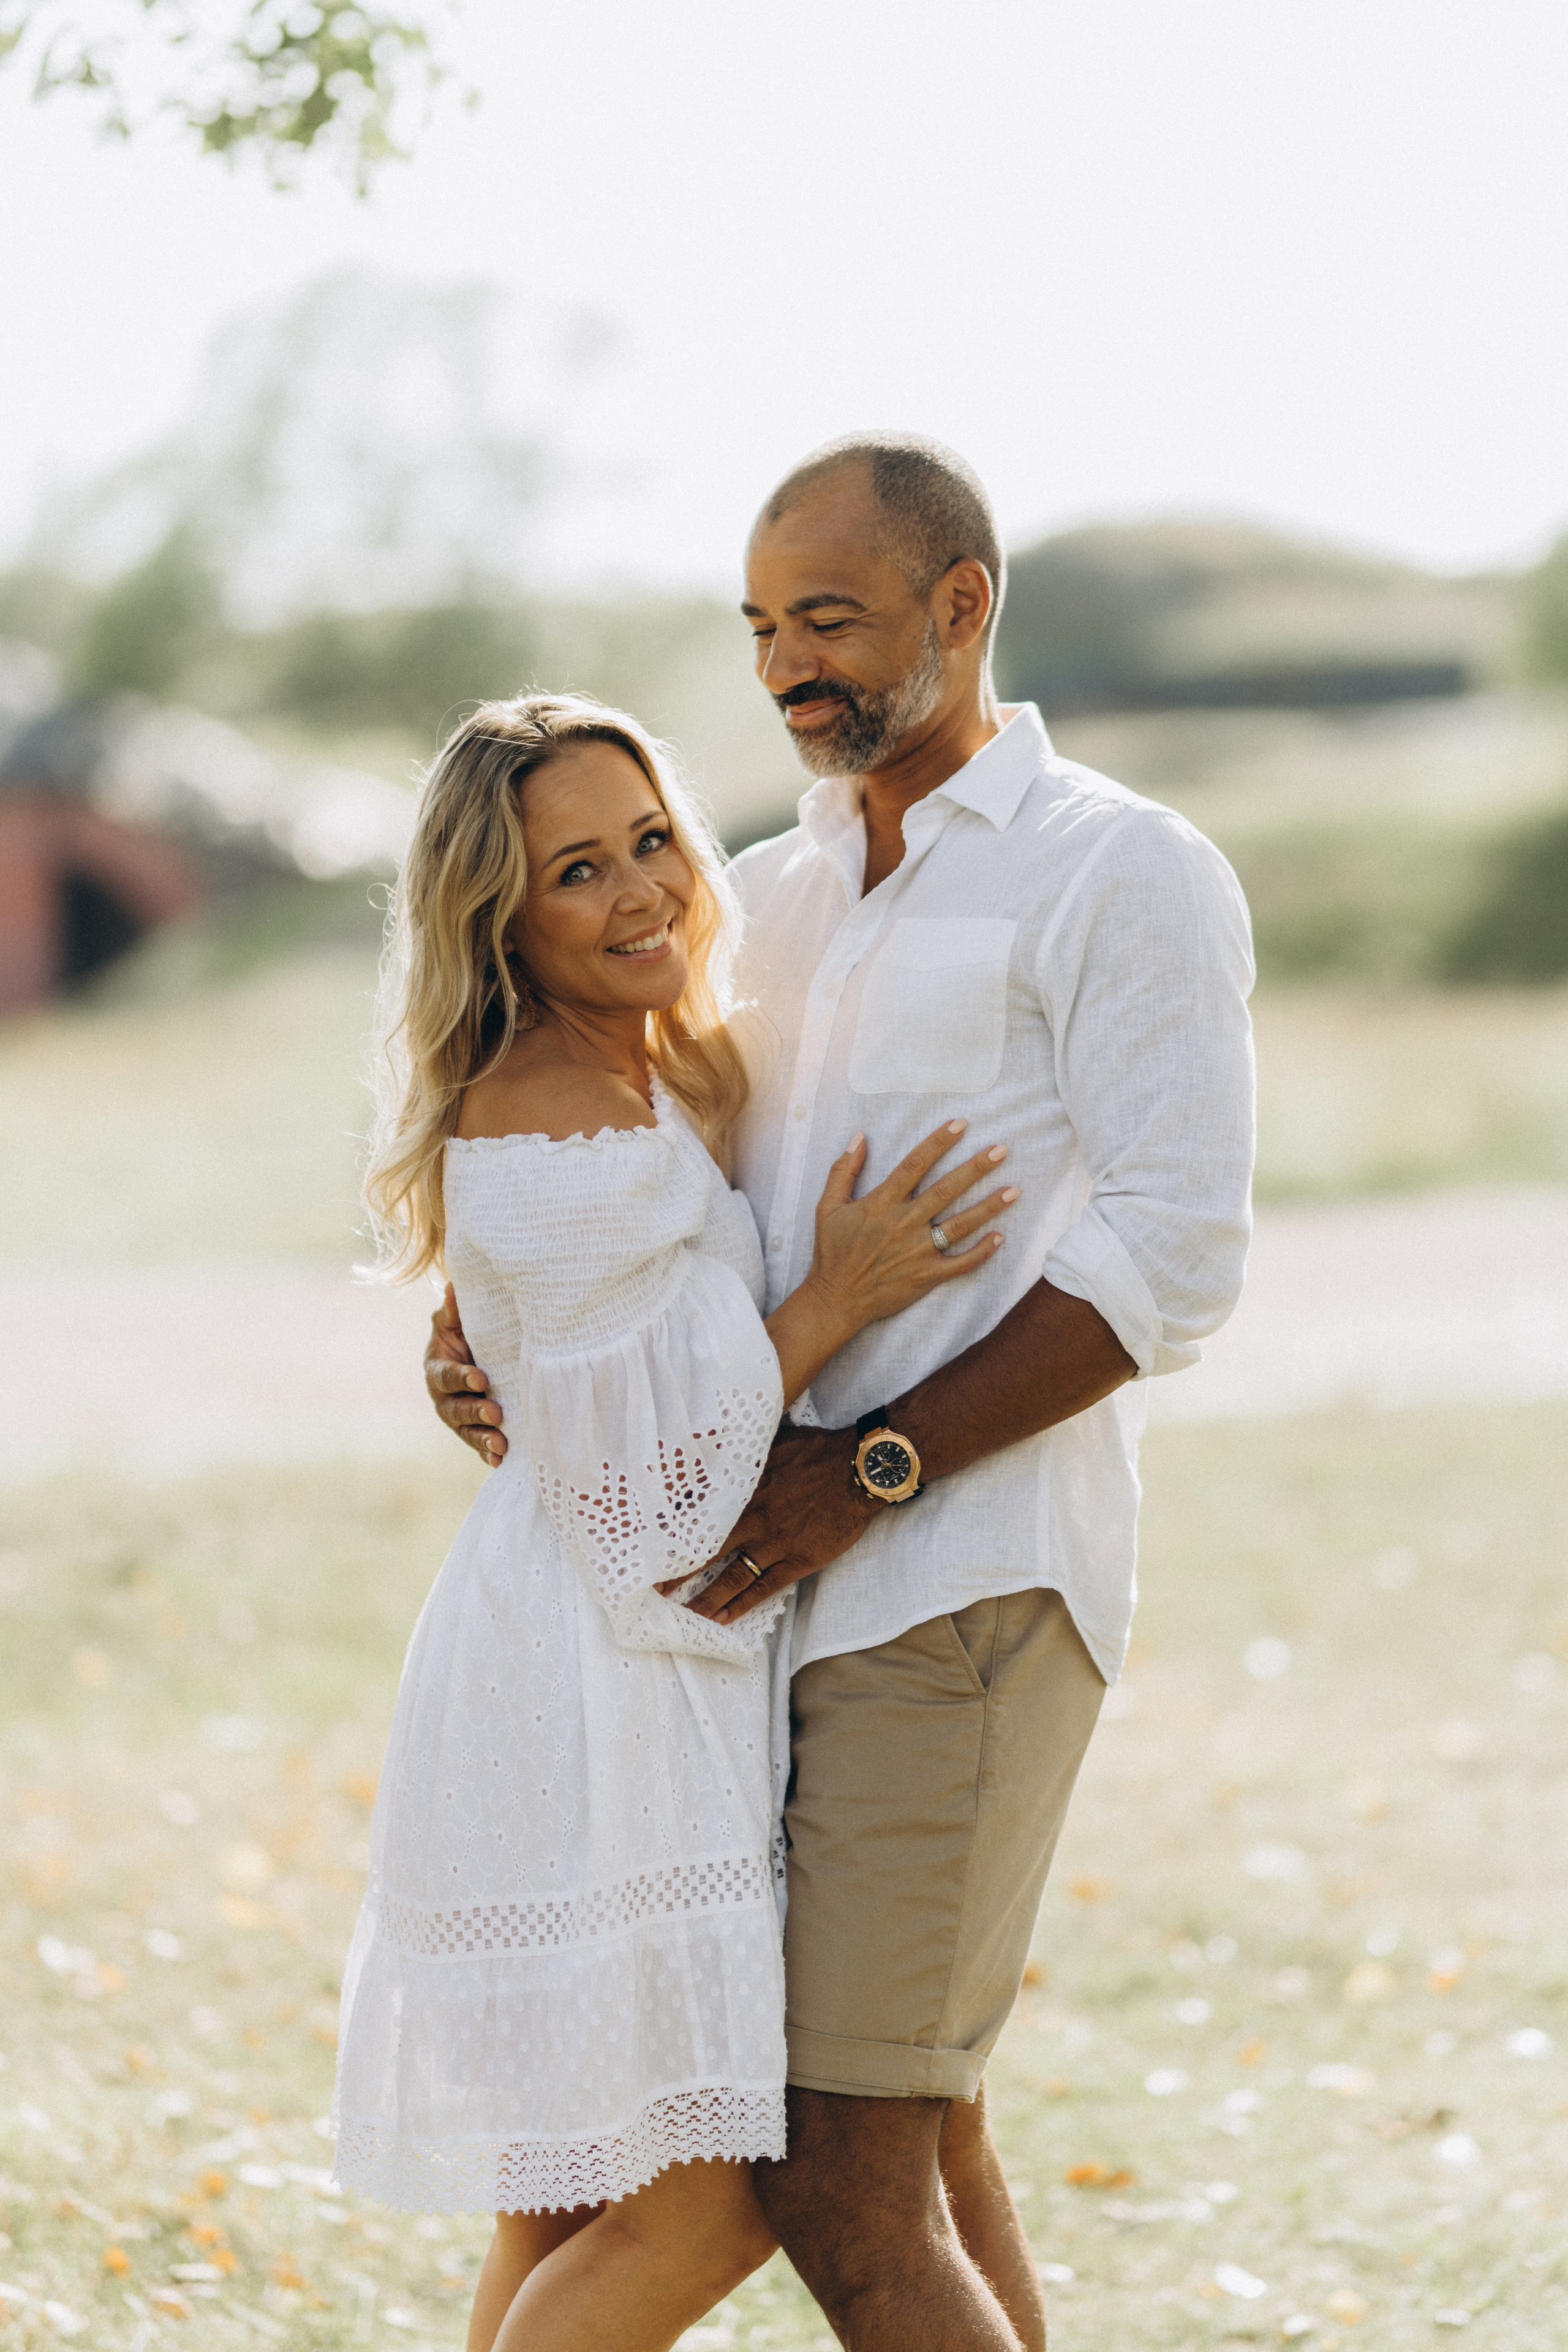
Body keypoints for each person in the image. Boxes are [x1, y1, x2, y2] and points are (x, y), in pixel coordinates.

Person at [426, 435, 1256, 2351]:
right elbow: (659, 1196)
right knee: (917, 2136)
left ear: (962, 608)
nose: (788, 665)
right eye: (759, 630)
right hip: (742, 1610)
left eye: (831, 619)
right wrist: (494, 1317)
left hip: (961, 1577)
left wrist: (868, 1464)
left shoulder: (1122, 873)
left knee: (830, 2159)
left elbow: (1171, 1262)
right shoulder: (767, 900)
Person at [331, 690, 1020, 2352]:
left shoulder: (646, 1072)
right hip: (592, 1688)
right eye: (579, 871)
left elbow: (583, 1381)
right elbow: (647, 1496)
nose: (640, 891)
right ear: (500, 917)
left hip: (614, 1665)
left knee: (570, 2200)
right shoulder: (537, 1111)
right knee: (709, 2191)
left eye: (651, 840)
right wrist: (832, 1302)